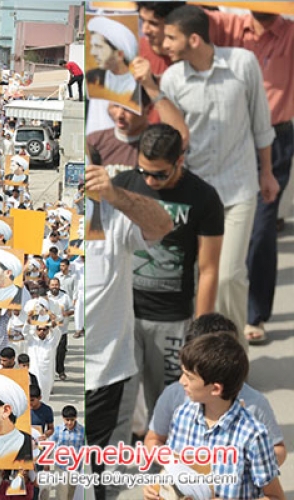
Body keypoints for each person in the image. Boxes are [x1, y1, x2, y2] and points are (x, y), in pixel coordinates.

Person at [159, 5, 277, 340]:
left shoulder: (243, 64)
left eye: (171, 37)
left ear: (193, 38)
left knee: (229, 276)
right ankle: (204, 353)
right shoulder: (172, 78)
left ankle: (235, 354)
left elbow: (261, 123)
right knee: (198, 277)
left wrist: (267, 173)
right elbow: (174, 139)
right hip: (195, 194)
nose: (163, 43)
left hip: (239, 188)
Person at [111, 124, 224, 429]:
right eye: (144, 171)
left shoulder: (204, 198)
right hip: (124, 315)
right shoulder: (122, 185)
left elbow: (209, 268)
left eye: (159, 174)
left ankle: (169, 468)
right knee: (120, 401)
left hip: (172, 318)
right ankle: (112, 472)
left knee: (168, 405)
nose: (149, 180)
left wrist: (200, 331)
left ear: (180, 161)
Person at [203, 7, 294, 345]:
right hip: (227, 138)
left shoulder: (289, 34)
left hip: (274, 138)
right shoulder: (228, 25)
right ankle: (217, 309)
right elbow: (188, 18)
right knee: (219, 227)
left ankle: (254, 313)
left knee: (261, 226)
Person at [84, 163, 172, 500]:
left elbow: (162, 224)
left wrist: (114, 193)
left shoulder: (110, 211)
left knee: (96, 480)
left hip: (107, 375)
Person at [142, 333, 284, 500]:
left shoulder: (252, 435)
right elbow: (174, 467)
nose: (181, 381)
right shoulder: (182, 416)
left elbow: (276, 496)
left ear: (215, 389)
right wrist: (156, 487)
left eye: (189, 377)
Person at [144, 313, 287, 467]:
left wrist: (248, 466)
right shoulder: (175, 397)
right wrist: (173, 463)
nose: (182, 381)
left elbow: (277, 449)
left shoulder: (255, 404)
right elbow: (153, 439)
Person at [86, 16, 140, 106]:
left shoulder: (138, 87)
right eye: (93, 46)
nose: (93, 53)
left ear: (119, 55)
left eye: (98, 46)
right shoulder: (92, 77)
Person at [50, 406, 85, 500]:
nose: (69, 423)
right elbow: (50, 445)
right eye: (67, 420)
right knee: (61, 494)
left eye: (72, 420)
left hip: (76, 468)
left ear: (76, 418)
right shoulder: (57, 430)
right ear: (62, 418)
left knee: (72, 494)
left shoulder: (82, 431)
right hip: (61, 468)